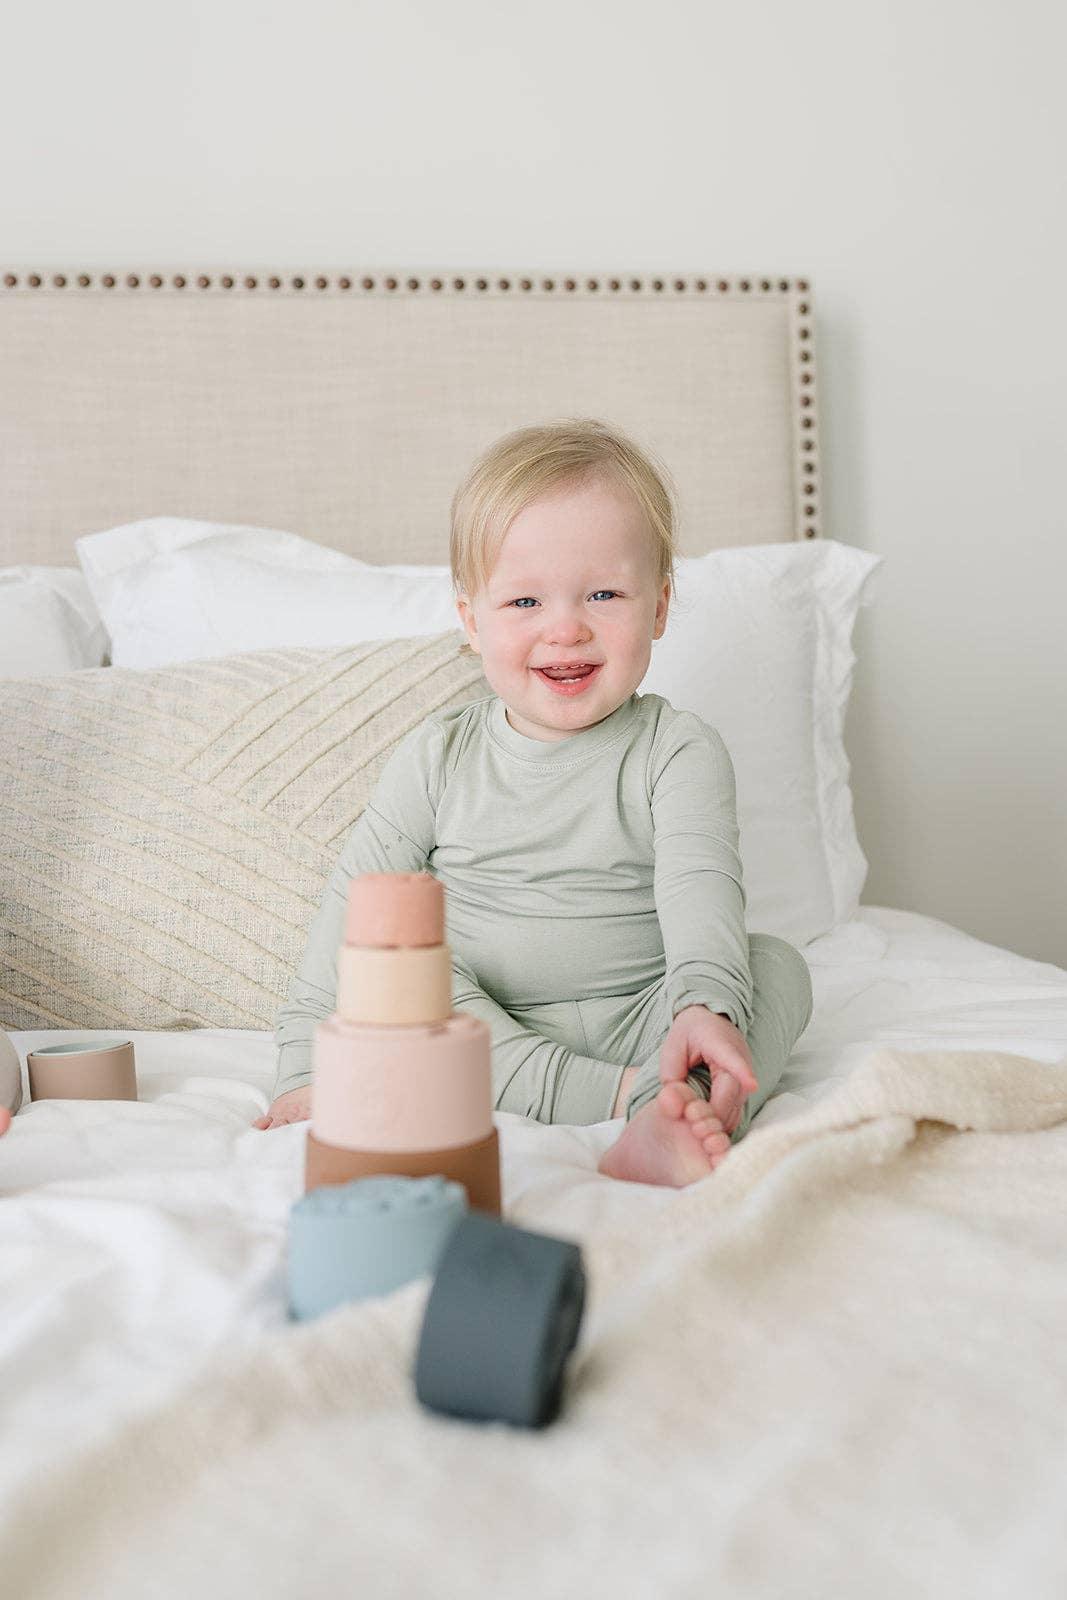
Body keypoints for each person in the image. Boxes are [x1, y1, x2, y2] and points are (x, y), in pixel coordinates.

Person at [253, 417, 813, 1187]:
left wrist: (701, 1009)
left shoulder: (677, 750)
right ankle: (638, 1101)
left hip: (643, 1017)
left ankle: (671, 1106)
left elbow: (700, 894)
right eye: (523, 603)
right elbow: (353, 910)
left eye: (605, 593)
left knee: (771, 969)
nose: (566, 628)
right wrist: (298, 1071)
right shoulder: (437, 756)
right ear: (469, 621)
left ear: (658, 607)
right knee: (398, 976)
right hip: (481, 1028)